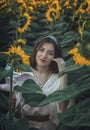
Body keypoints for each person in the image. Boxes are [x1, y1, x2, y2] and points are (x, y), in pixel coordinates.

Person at [1, 35, 72, 130]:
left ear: (55, 57)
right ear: (35, 51)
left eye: (50, 53)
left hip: (49, 126)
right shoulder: (22, 74)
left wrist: (63, 72)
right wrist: (12, 106)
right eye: (41, 50)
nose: (44, 55)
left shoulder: (58, 79)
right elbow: (14, 111)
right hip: (24, 126)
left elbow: (63, 108)